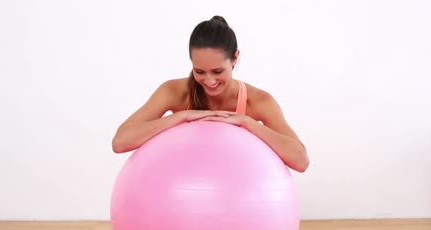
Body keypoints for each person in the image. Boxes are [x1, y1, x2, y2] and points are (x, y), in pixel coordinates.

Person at [112, 16, 309, 173]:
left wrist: (246, 123)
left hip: (239, 202)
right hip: (181, 200)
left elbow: (301, 161)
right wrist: (182, 117)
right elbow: (121, 142)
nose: (209, 81)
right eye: (199, 71)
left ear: (234, 59)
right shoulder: (172, 92)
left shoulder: (258, 101)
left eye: (217, 71)